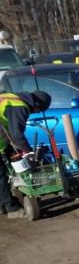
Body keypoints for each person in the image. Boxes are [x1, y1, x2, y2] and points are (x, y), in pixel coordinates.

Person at [0, 90, 52, 218]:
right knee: (0, 175)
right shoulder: (19, 106)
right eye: (38, 110)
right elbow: (17, 135)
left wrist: (14, 150)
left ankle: (2, 206)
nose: (36, 113)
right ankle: (12, 209)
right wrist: (29, 152)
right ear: (36, 104)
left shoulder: (11, 97)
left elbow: (8, 129)